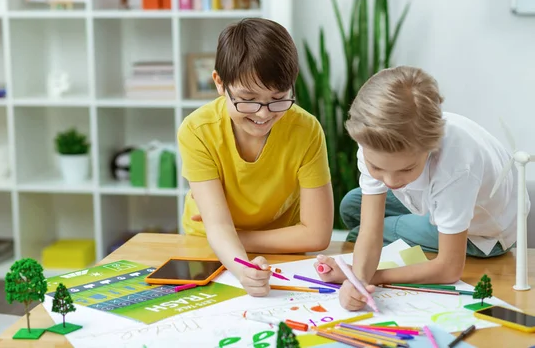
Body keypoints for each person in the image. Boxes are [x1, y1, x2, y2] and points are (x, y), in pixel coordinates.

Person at [314, 65, 527, 311]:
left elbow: (448, 269)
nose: (391, 181)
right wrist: (359, 277)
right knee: (352, 206)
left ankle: (424, 224)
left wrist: (366, 277)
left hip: (485, 236)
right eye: (377, 167)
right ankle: (420, 215)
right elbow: (371, 231)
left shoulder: (456, 167)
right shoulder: (373, 139)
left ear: (431, 147)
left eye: (406, 169)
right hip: (439, 199)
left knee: (359, 232)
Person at [177, 18, 334, 297]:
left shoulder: (306, 130)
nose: (263, 114)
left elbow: (317, 235)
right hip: (212, 247)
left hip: (271, 246)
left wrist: (231, 235)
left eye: (278, 98)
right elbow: (217, 226)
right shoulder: (197, 130)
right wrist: (242, 267)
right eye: (247, 99)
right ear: (220, 84)